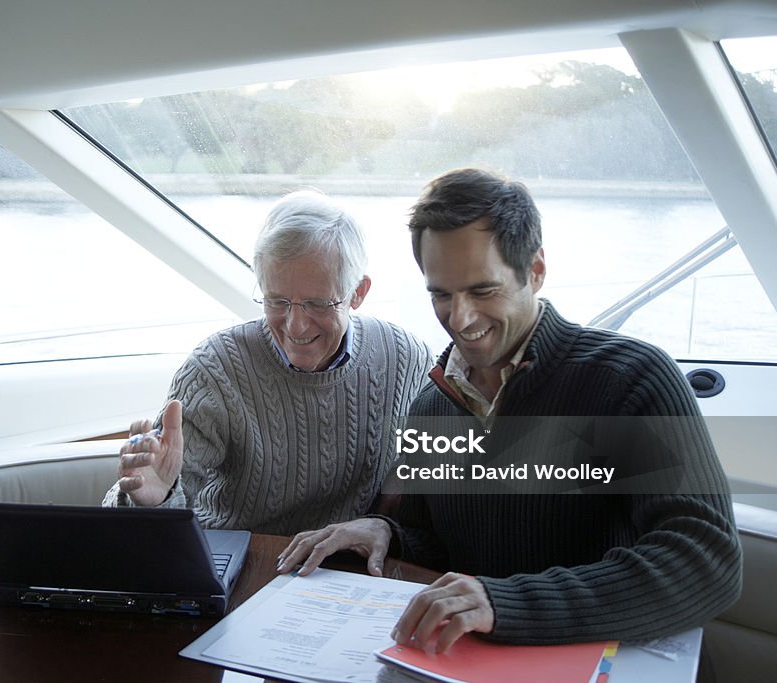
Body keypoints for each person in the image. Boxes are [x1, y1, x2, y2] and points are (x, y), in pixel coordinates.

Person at [277, 168, 742, 651]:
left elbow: (707, 561)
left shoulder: (630, 380)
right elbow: (437, 544)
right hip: (469, 661)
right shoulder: (433, 408)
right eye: (441, 293)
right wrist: (384, 532)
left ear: (535, 270)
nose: (460, 319)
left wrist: (503, 603)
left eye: (482, 291)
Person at [102, 190, 431, 535]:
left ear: (358, 293)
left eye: (317, 304)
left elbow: (454, 490)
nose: (295, 325)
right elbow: (130, 529)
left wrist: (388, 528)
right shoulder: (215, 370)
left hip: (351, 571)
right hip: (238, 568)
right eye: (277, 301)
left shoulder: (407, 358)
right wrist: (149, 501)